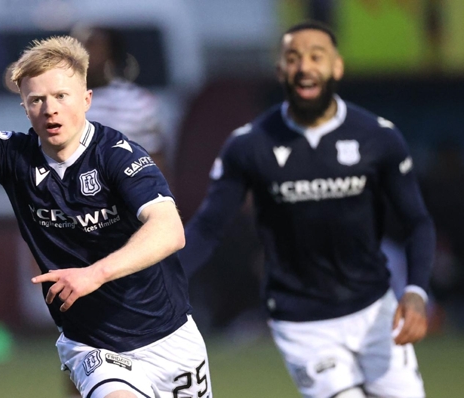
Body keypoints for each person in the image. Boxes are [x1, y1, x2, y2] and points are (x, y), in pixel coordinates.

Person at [0, 10, 212, 398]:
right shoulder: (14, 157)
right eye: (37, 100)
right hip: (93, 346)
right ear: (25, 107)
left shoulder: (118, 155)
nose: (50, 109)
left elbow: (169, 230)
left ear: (86, 100)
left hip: (170, 338)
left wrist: (94, 274)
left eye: (61, 97)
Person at [181, 21, 435, 398]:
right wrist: (160, 278)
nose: (305, 67)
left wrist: (415, 290)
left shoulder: (378, 137)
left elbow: (417, 222)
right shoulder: (249, 145)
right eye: (293, 58)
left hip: (374, 309)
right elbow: (207, 228)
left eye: (317, 56)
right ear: (280, 69)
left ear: (337, 67)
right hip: (301, 322)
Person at [71, 25, 169, 178]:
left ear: (110, 52)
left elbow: (154, 157)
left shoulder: (136, 101)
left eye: (91, 45)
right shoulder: (57, 100)